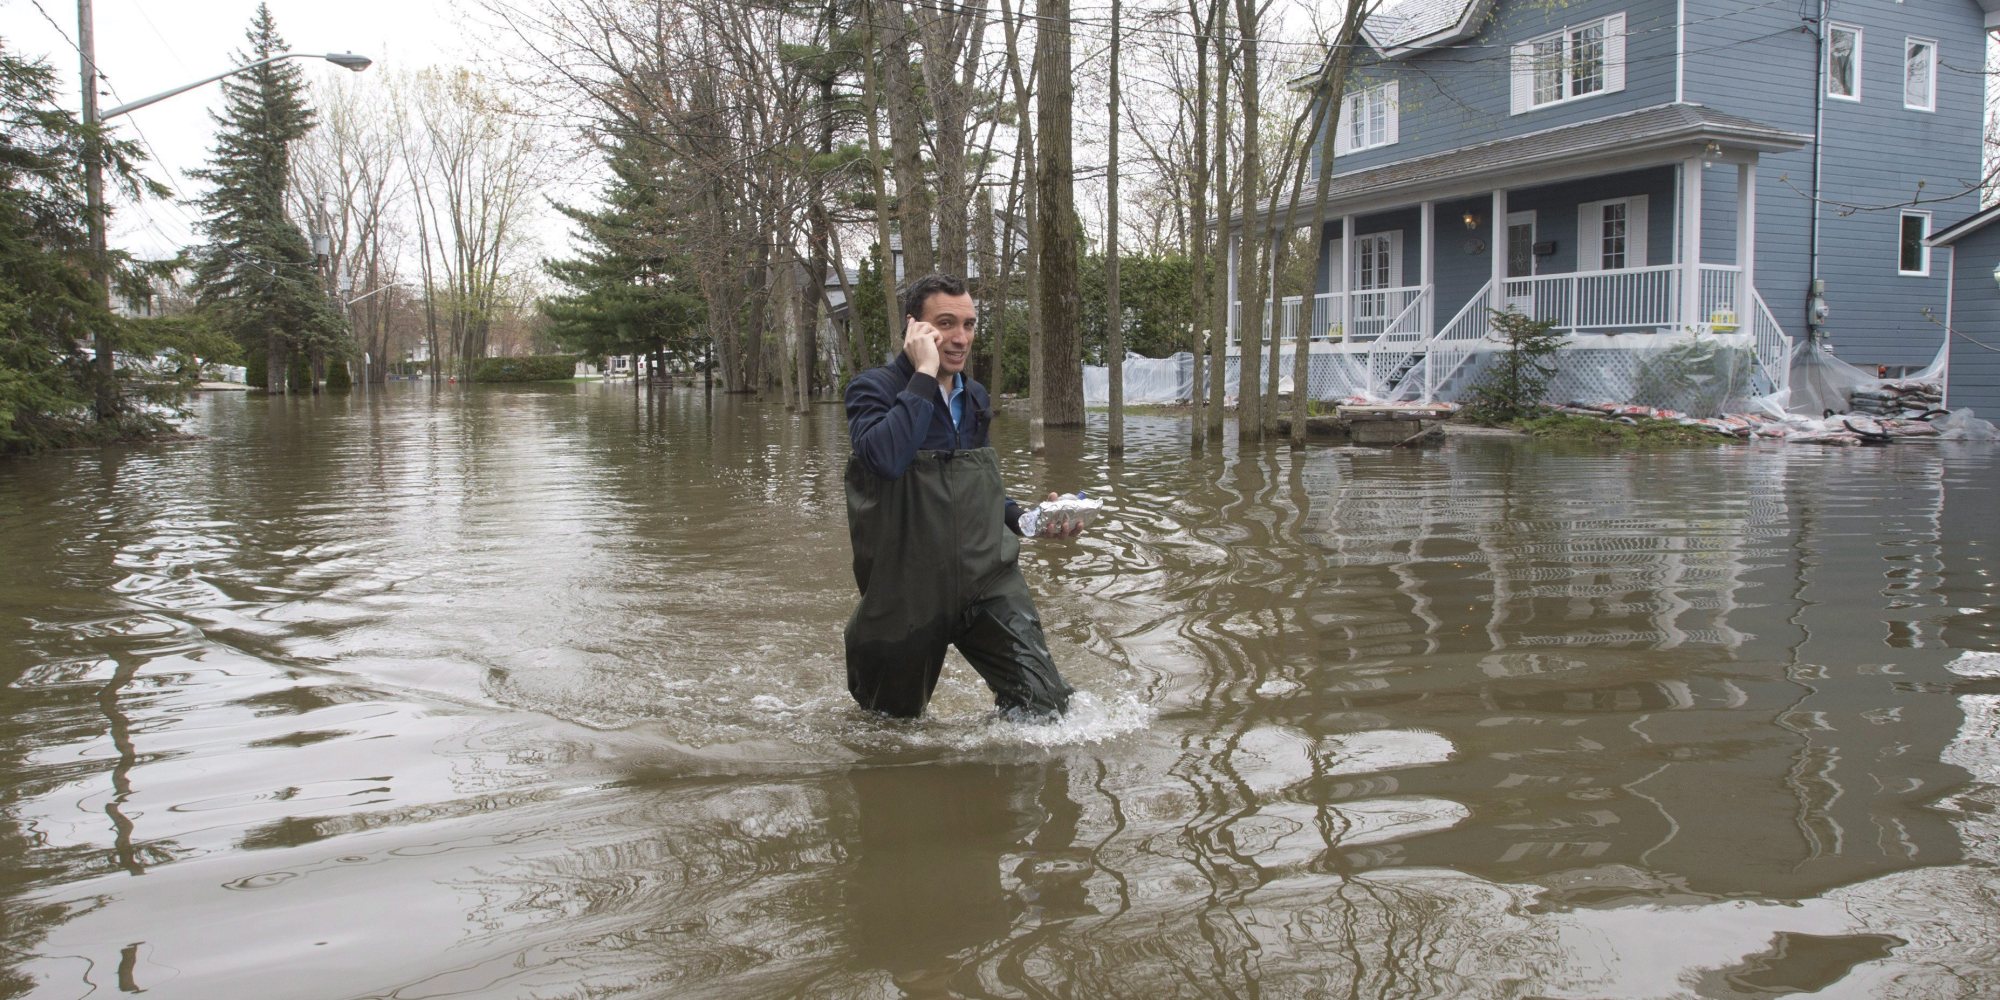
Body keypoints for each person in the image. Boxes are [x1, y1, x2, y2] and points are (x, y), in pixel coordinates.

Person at [842, 272, 1077, 720]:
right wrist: (924, 375)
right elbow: (885, 459)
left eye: (968, 325)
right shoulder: (872, 389)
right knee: (890, 732)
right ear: (915, 328)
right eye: (945, 323)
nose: (960, 338)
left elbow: (979, 490)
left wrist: (1030, 519)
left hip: (986, 578)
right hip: (906, 590)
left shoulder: (976, 397)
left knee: (1046, 706)